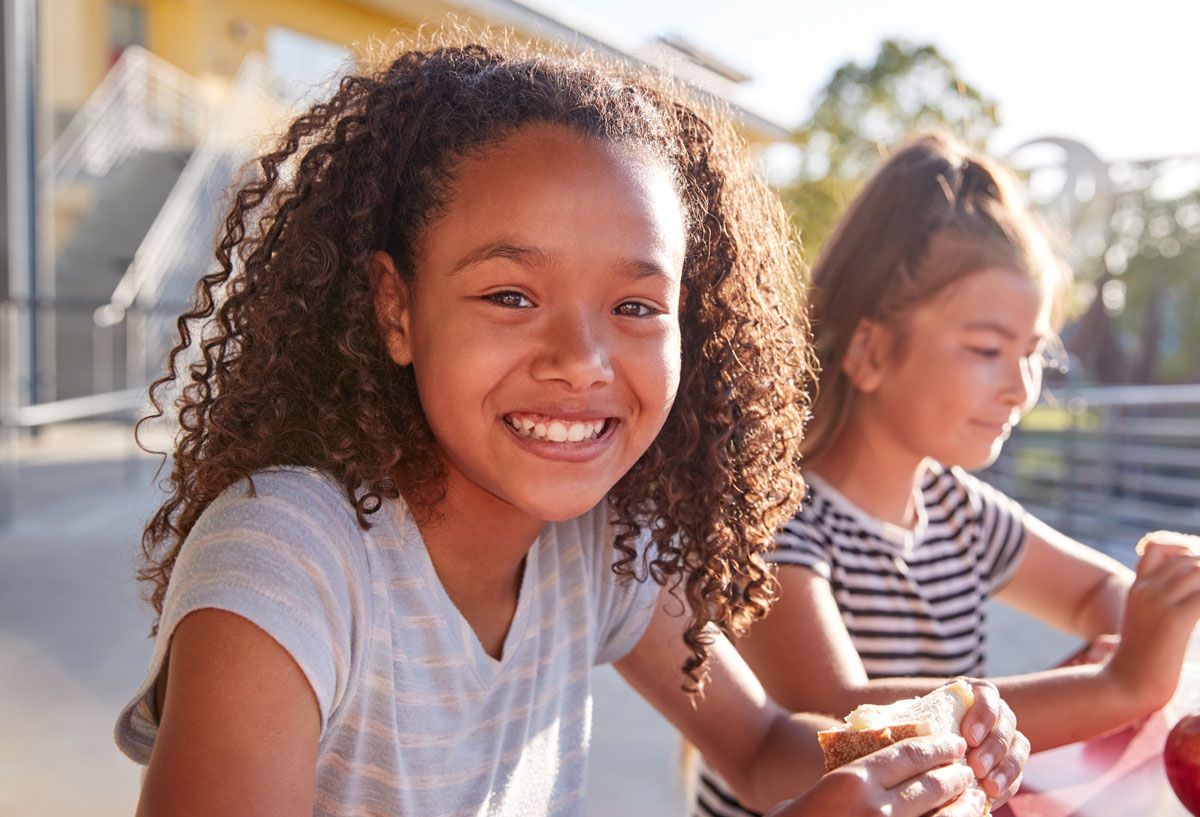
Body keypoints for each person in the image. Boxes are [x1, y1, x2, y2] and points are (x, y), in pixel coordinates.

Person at [112, 36, 1026, 817]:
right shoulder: (286, 558)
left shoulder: (598, 546)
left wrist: (920, 747)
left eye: (636, 304)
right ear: (395, 309)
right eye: (511, 294)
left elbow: (757, 745)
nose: (583, 358)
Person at [692, 132, 1200, 817]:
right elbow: (844, 724)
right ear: (870, 351)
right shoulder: (776, 515)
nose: (1021, 389)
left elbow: (1104, 591)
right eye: (988, 348)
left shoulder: (960, 509)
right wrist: (1119, 682)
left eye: (1034, 353)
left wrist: (1153, 619)